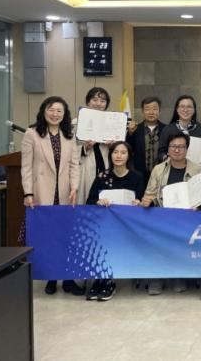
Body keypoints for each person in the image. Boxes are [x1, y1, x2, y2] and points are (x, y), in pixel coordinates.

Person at [21, 96, 82, 295]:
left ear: (64, 115)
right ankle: (51, 277)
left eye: (59, 111)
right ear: (43, 111)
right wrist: (28, 192)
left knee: (66, 238)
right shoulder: (32, 134)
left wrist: (74, 187)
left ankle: (68, 279)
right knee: (47, 239)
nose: (55, 114)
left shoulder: (69, 135)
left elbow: (74, 165)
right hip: (42, 193)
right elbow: (26, 167)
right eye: (51, 109)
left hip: (65, 195)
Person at [142, 132, 201, 294]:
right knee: (154, 234)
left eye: (181, 147)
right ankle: (156, 278)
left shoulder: (198, 170)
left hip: (187, 218)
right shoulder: (158, 170)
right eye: (173, 146)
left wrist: (196, 207)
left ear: (187, 149)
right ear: (168, 149)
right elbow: (150, 194)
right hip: (162, 216)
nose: (177, 150)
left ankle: (179, 276)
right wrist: (148, 201)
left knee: (183, 234)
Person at [86, 141, 145, 301]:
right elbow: (89, 201)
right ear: (110, 155)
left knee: (112, 238)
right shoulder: (102, 176)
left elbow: (142, 203)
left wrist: (138, 203)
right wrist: (98, 201)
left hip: (128, 225)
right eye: (115, 152)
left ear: (129, 156)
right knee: (100, 236)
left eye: (123, 152)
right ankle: (100, 280)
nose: (119, 156)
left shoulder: (137, 177)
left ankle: (108, 281)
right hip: (104, 224)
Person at [76, 87, 111, 205]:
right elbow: (69, 150)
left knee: (105, 201)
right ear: (88, 102)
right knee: (85, 200)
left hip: (105, 166)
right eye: (94, 100)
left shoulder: (111, 123)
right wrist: (85, 147)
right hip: (85, 168)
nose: (98, 104)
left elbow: (121, 149)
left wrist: (113, 145)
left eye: (102, 101)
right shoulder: (76, 123)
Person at [158, 95, 201, 161]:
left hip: (197, 166)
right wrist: (166, 158)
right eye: (182, 106)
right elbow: (161, 152)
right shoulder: (167, 130)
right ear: (177, 109)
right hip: (174, 166)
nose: (185, 110)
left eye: (189, 107)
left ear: (194, 110)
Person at [126, 96, 166, 183]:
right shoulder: (135, 130)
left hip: (162, 174)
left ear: (159, 111)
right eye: (147, 109)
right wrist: (130, 134)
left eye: (154, 109)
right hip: (139, 175)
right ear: (142, 111)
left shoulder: (166, 129)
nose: (151, 112)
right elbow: (128, 150)